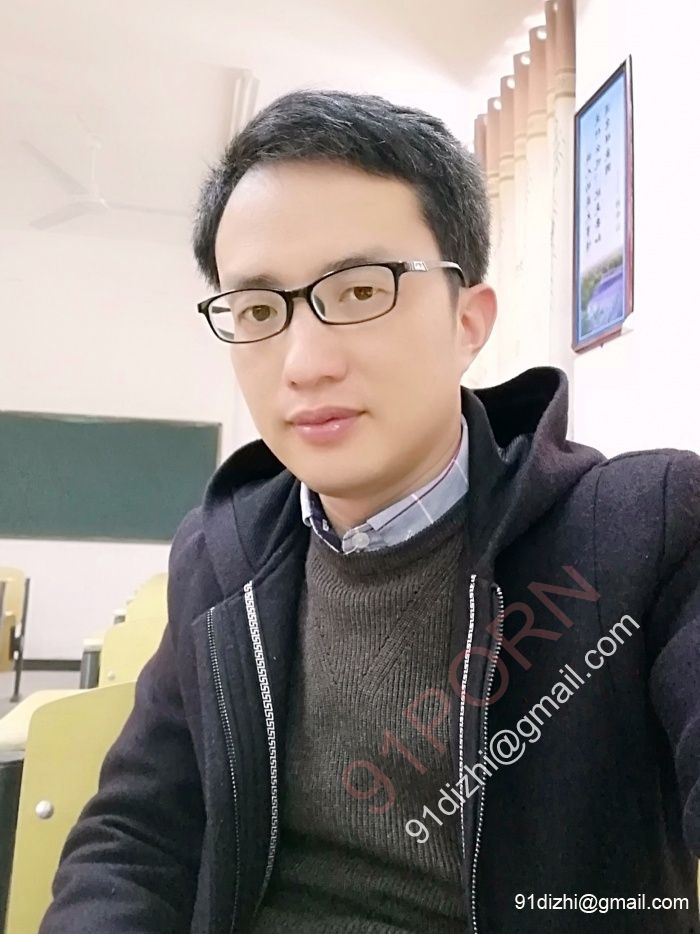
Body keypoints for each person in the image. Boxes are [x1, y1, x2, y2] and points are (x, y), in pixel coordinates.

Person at [40, 89, 700, 934]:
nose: (304, 363)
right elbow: (138, 836)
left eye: (358, 292)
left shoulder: (642, 533)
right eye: (259, 310)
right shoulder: (219, 555)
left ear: (468, 322)